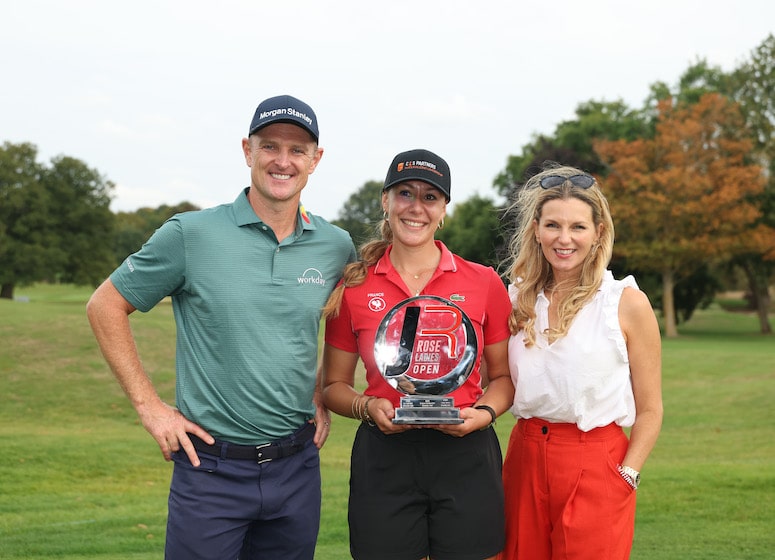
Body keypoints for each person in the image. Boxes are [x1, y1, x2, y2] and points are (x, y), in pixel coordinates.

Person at [86, 94, 356, 560]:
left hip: (296, 468)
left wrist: (323, 388)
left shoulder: (335, 245)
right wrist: (150, 407)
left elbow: (345, 325)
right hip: (209, 469)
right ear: (247, 151)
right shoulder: (191, 235)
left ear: (316, 160)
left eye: (297, 150)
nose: (282, 161)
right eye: (269, 146)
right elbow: (104, 305)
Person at [321, 148, 514, 560]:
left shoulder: (483, 282)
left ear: (444, 209)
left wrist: (483, 415)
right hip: (385, 454)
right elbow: (333, 386)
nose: (416, 207)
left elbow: (503, 380)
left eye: (430, 197)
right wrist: (366, 405)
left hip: (466, 451)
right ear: (386, 201)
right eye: (405, 193)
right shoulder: (354, 287)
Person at [497, 164, 663, 559]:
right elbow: (494, 379)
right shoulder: (515, 299)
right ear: (536, 230)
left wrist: (629, 474)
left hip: (597, 462)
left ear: (598, 232)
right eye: (553, 225)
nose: (564, 238)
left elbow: (652, 408)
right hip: (524, 459)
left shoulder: (625, 302)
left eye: (578, 227)